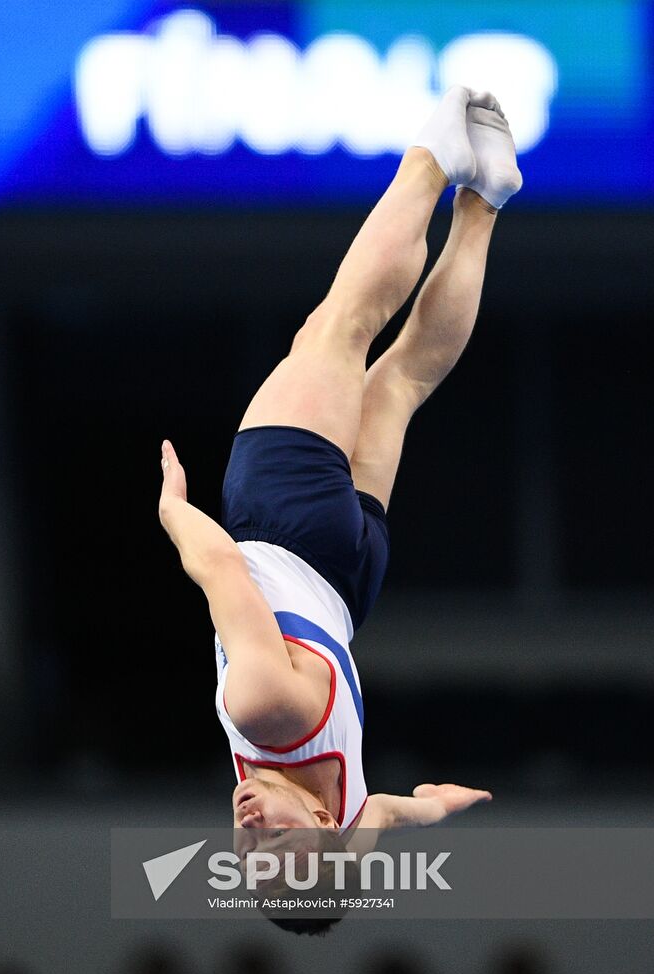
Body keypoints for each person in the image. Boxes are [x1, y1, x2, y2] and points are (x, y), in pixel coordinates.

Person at [158, 87, 522, 926]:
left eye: (246, 862)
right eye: (280, 850)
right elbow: (217, 567)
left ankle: (486, 202)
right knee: (339, 328)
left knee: (401, 383)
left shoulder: (353, 820)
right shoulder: (263, 711)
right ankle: (433, 157)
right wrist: (173, 509)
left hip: (349, 586)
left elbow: (404, 812)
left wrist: (441, 804)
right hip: (284, 529)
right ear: (323, 823)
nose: (250, 838)